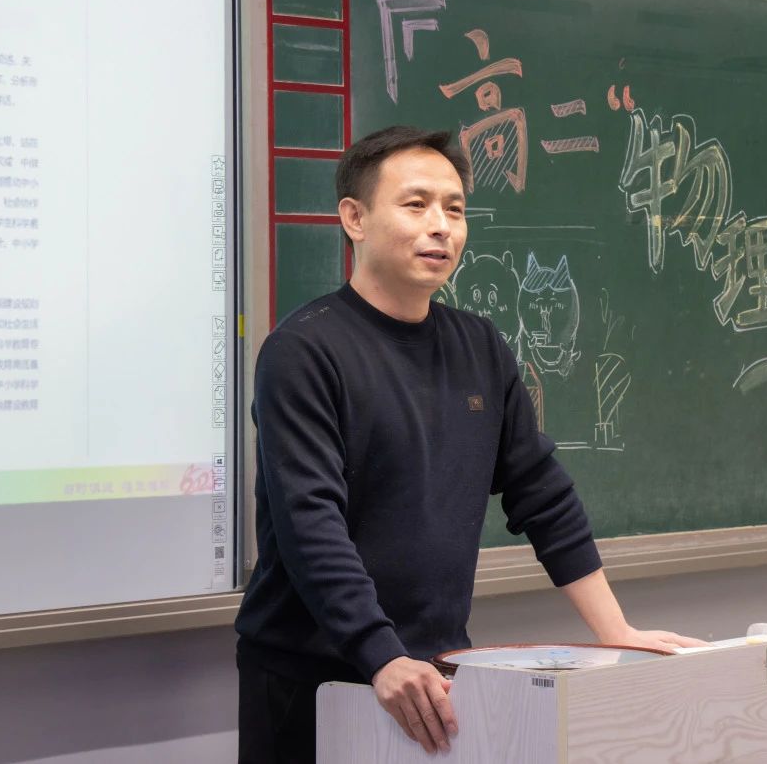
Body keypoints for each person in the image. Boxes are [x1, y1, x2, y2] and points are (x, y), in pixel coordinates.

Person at [234, 125, 704, 762]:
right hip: (313, 677)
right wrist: (380, 654)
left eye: (455, 209)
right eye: (416, 204)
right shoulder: (303, 352)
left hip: (437, 672)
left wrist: (616, 630)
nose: (441, 226)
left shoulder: (480, 345)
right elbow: (309, 524)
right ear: (355, 218)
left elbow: (542, 494)